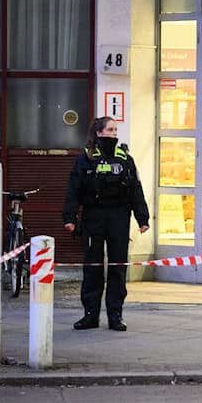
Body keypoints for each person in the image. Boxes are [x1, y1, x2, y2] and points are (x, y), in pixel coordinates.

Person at [63, 117, 150, 332]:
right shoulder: (86, 158)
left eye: (116, 129)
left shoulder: (125, 158)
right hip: (93, 216)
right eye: (110, 129)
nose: (114, 133)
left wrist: (143, 218)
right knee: (92, 266)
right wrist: (69, 217)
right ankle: (90, 315)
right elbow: (74, 188)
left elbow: (135, 188)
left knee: (117, 266)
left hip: (119, 216)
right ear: (99, 133)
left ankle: (115, 315)